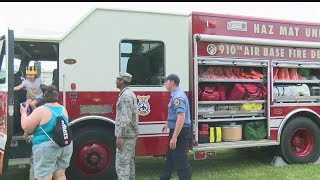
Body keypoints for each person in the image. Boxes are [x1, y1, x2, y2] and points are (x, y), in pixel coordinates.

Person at [20, 85, 73, 180]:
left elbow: (26, 127)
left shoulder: (41, 110)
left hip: (47, 147)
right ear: (57, 96)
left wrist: (23, 113)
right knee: (60, 175)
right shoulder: (63, 109)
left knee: (45, 177)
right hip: (65, 146)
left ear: (44, 97)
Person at [160, 74, 192, 180]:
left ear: (172, 82)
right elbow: (175, 114)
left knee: (180, 160)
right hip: (176, 130)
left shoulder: (178, 97)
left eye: (166, 81)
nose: (165, 83)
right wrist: (168, 123)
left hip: (180, 132)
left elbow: (181, 117)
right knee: (170, 158)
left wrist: (174, 138)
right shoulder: (175, 95)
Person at [115, 72, 139, 180]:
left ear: (122, 81)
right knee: (129, 162)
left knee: (122, 165)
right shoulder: (130, 93)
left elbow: (125, 117)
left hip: (126, 135)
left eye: (117, 79)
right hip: (130, 134)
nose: (115, 81)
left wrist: (120, 136)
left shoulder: (125, 96)